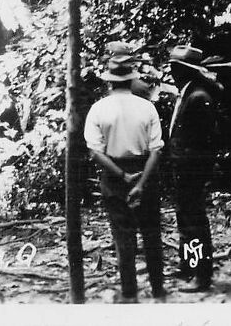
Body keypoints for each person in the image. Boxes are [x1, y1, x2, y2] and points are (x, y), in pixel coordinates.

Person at [84, 59, 166, 303]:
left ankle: (130, 293)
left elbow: (95, 152)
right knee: (152, 234)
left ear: (109, 80)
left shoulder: (98, 109)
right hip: (146, 172)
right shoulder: (147, 107)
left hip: (114, 175)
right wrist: (140, 183)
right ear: (131, 79)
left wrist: (123, 176)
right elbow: (156, 150)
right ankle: (158, 290)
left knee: (123, 237)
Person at [166, 45, 220, 292]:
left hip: (191, 170)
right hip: (183, 168)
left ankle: (202, 275)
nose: (171, 72)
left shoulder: (198, 97)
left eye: (175, 68)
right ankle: (189, 264)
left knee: (195, 220)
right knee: (185, 218)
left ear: (184, 71)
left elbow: (206, 140)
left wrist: (195, 170)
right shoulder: (188, 93)